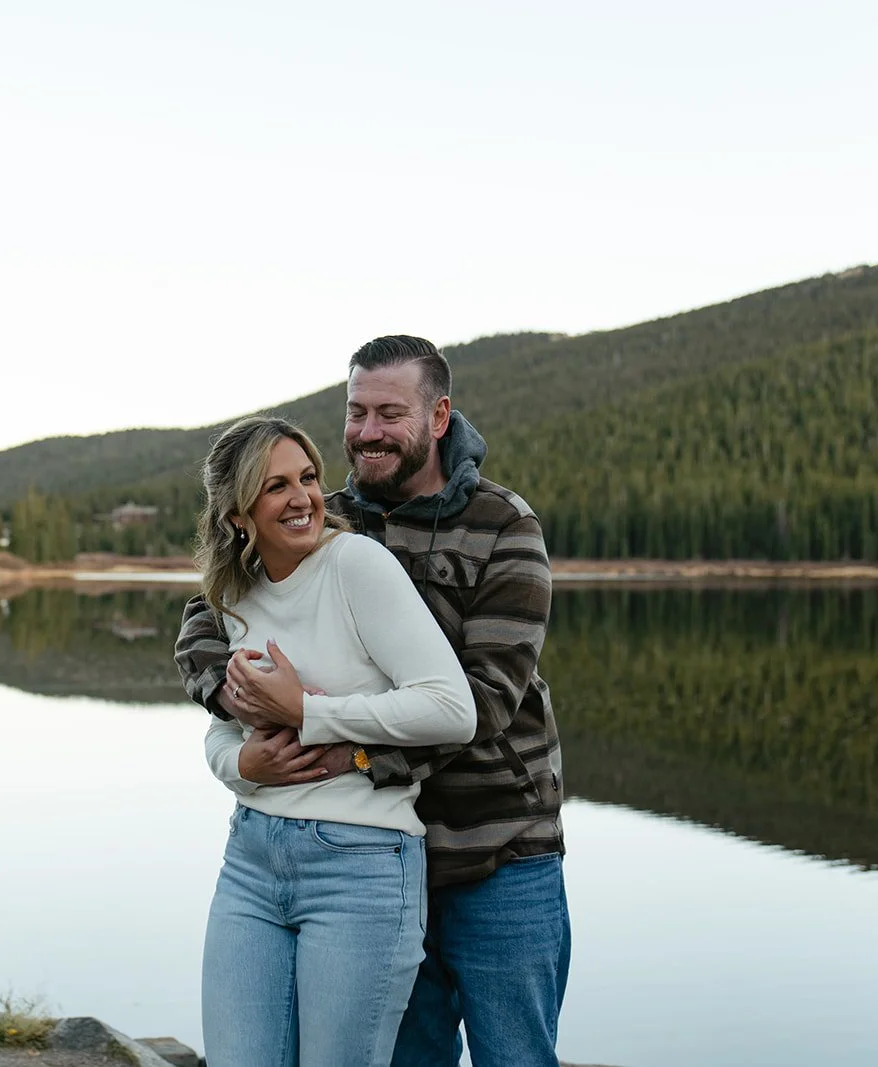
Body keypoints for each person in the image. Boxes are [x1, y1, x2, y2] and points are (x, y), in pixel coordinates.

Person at [175, 336, 570, 1067]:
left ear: (440, 415)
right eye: (356, 412)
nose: (367, 431)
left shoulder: (502, 526)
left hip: (494, 849)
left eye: (390, 412)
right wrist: (243, 713)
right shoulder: (320, 519)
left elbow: (481, 704)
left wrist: (332, 738)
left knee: (515, 1056)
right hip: (374, 854)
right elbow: (207, 625)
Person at [187, 414, 477, 1067]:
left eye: (309, 477)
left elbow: (450, 707)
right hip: (251, 860)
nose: (303, 498)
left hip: (361, 864)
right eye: (276, 486)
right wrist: (241, 762)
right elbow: (221, 731)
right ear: (238, 514)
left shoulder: (356, 565)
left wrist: (310, 712)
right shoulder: (234, 592)